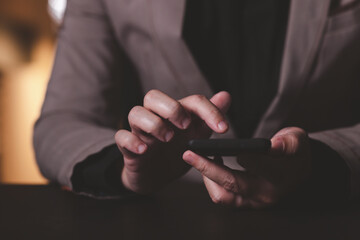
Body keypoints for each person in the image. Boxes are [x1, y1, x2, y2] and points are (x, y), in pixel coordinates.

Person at [34, 0, 360, 207]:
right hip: (171, 218)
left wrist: (323, 162)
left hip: (327, 212)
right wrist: (126, 165)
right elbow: (61, 121)